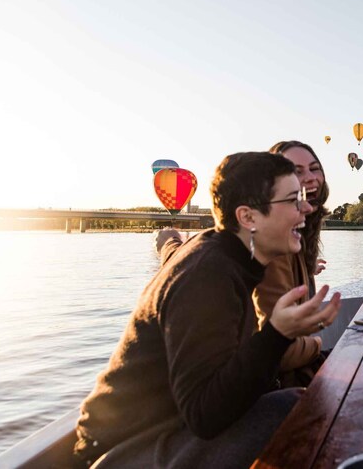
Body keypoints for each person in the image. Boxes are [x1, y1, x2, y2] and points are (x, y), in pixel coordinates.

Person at [73, 152, 341, 468]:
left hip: (168, 431)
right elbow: (205, 416)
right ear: (248, 218)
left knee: (301, 402)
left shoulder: (223, 256)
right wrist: (277, 334)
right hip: (122, 451)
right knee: (294, 411)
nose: (306, 208)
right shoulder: (208, 276)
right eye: (293, 200)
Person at [252, 140, 330, 387]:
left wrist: (307, 269)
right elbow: (280, 351)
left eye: (314, 168)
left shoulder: (299, 240)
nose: (310, 178)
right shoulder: (275, 244)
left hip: (295, 373)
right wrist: (318, 344)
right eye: (296, 171)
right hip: (276, 386)